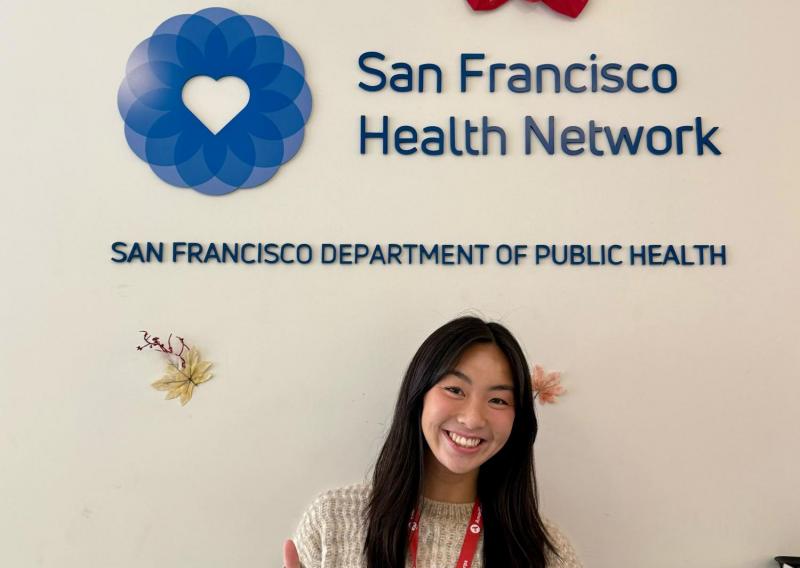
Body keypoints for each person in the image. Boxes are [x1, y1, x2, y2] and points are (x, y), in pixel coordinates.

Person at [283, 316, 582, 567]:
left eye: (498, 399)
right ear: (419, 395)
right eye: (455, 389)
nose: (473, 418)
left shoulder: (548, 555)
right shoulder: (332, 522)